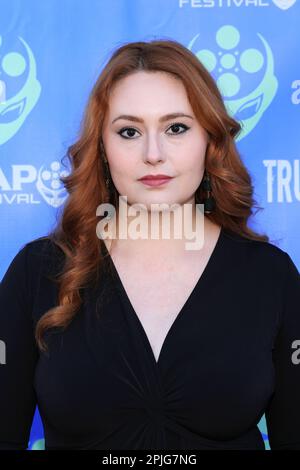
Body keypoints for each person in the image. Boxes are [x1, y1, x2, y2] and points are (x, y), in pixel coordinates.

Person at [0, 39, 299, 451]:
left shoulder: (271, 276)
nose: (153, 154)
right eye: (129, 131)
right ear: (102, 149)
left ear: (209, 140)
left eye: (176, 128)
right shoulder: (38, 271)